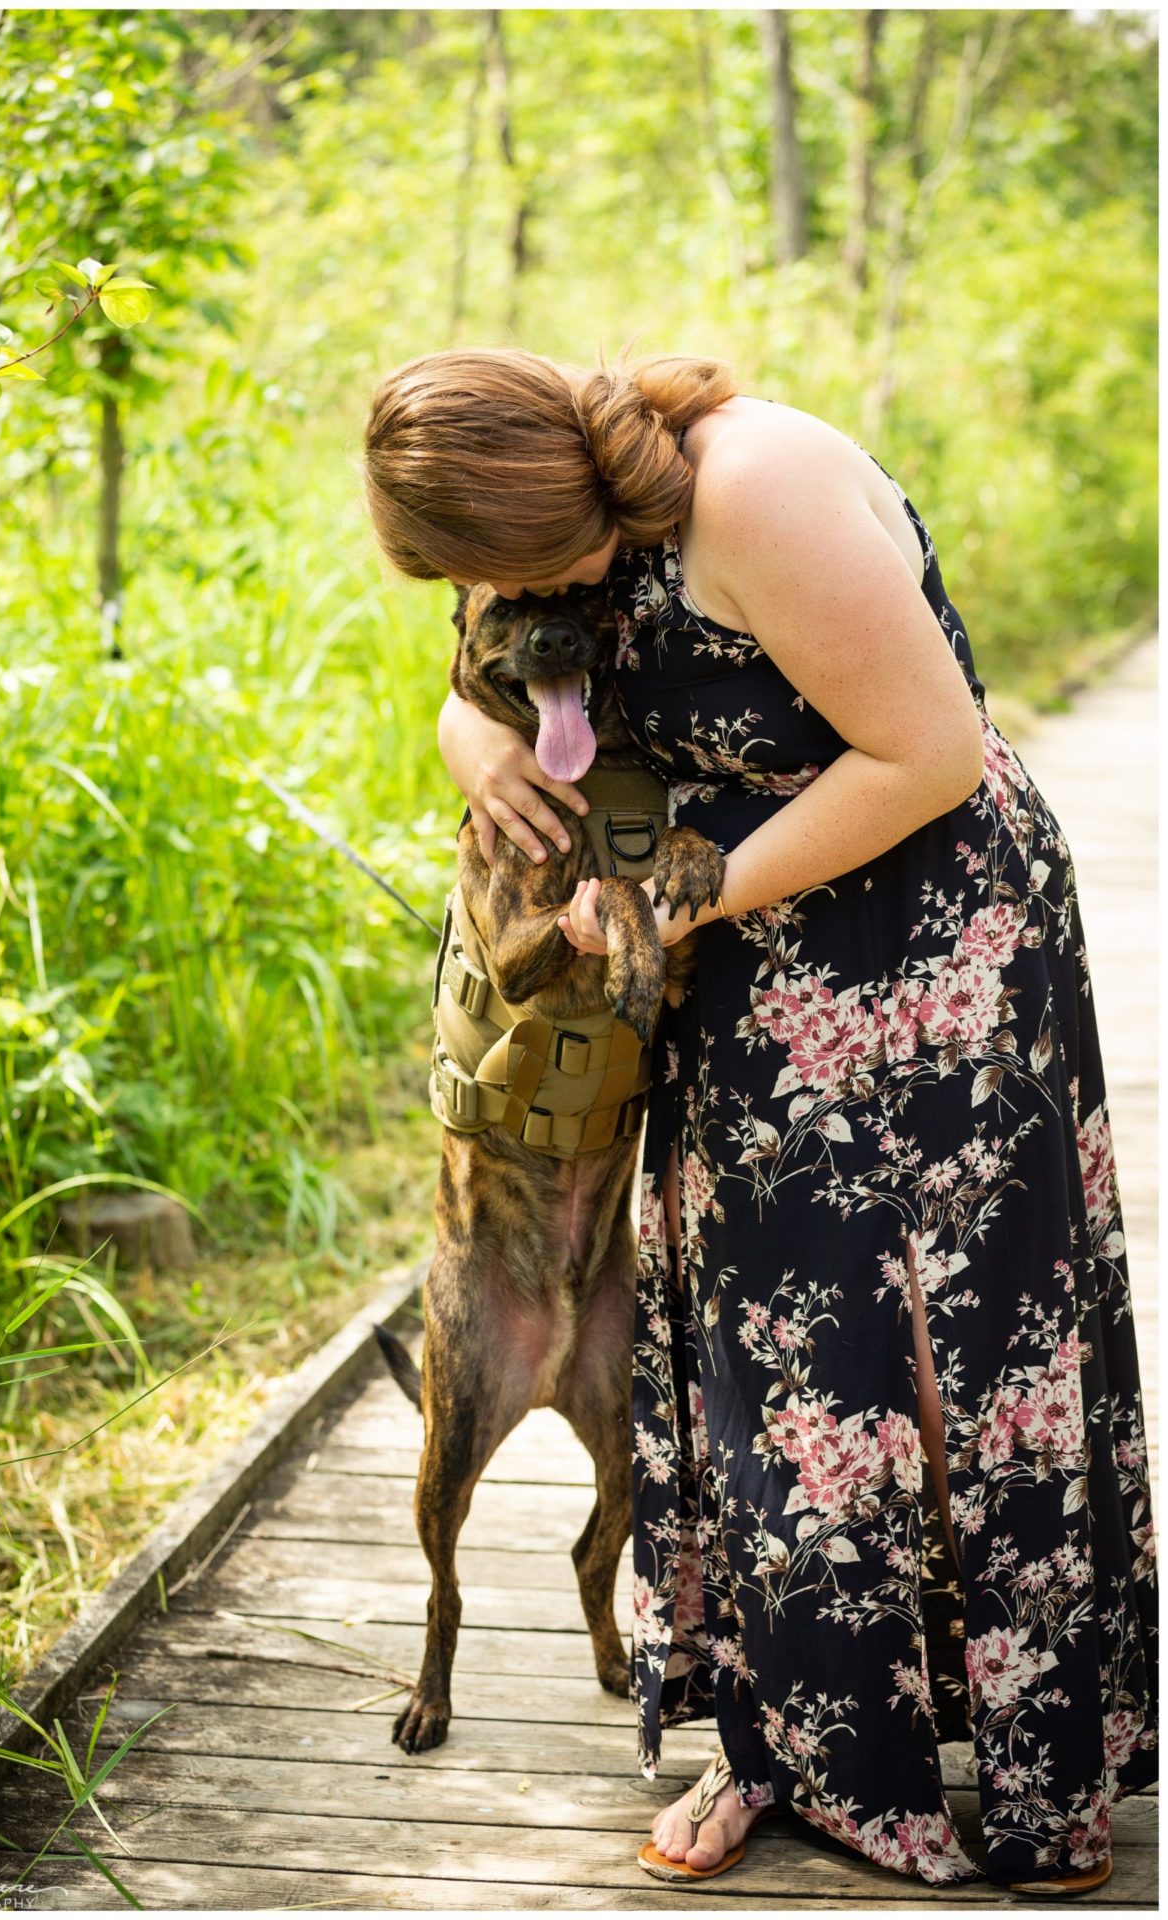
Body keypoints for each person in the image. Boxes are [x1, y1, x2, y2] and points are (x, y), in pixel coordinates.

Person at [363, 347, 1158, 1892]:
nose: (483, 598)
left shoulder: (752, 485)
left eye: (489, 567)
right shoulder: (543, 535)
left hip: (929, 957)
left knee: (964, 1357)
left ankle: (1042, 1762)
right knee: (772, 1369)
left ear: (550, 503)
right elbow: (469, 689)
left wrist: (692, 887)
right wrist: (487, 758)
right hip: (731, 979)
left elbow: (928, 753)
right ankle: (798, 1757)